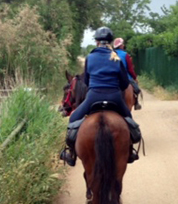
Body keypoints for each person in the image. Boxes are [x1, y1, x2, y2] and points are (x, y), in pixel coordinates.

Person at [60, 27, 141, 167]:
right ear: (111, 41)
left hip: (93, 97)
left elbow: (86, 81)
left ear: (96, 41)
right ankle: (130, 151)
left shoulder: (90, 57)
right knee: (130, 121)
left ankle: (71, 154)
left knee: (73, 119)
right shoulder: (117, 58)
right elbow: (124, 83)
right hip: (115, 97)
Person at [113, 37, 142, 110]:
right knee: (137, 89)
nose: (123, 46)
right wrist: (135, 77)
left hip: (113, 78)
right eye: (122, 44)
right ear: (120, 46)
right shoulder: (126, 55)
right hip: (126, 78)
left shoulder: (110, 54)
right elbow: (130, 69)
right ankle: (136, 103)